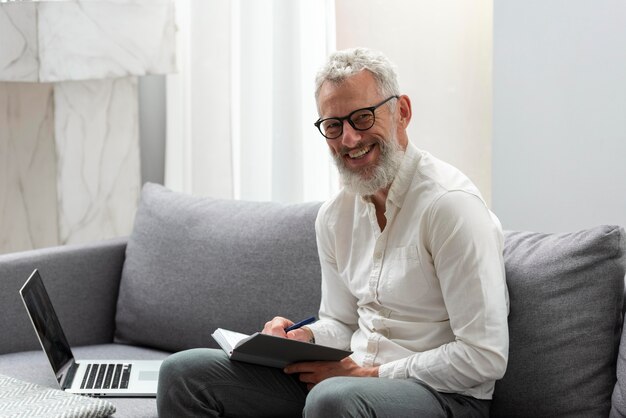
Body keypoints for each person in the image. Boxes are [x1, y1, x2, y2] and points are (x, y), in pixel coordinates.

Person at [157, 47, 509, 418]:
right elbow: (342, 322)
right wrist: (302, 337)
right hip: (347, 387)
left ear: (401, 112)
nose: (349, 140)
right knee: (184, 372)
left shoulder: (450, 207)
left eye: (362, 117)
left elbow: (484, 357)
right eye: (334, 125)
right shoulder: (335, 217)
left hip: (444, 397)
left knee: (333, 399)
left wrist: (369, 374)